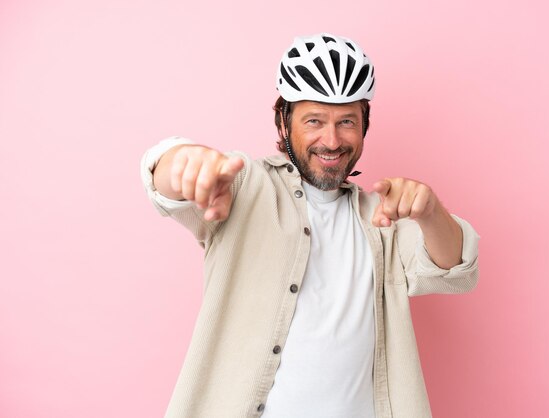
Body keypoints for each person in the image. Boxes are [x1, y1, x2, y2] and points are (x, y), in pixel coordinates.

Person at [141, 33, 479, 418]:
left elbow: (456, 272)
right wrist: (179, 161)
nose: (331, 140)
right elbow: (165, 182)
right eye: (314, 121)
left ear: (364, 126)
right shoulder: (243, 186)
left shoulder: (381, 218)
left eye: (347, 121)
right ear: (284, 123)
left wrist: (430, 211)